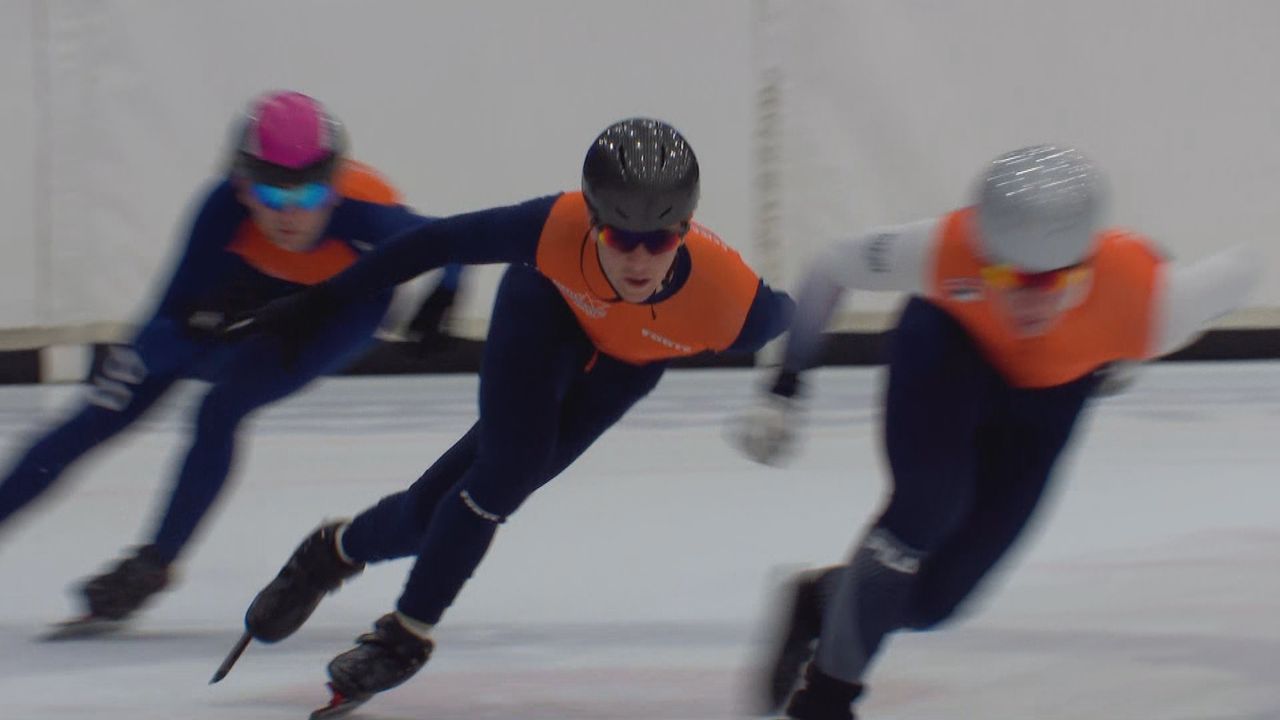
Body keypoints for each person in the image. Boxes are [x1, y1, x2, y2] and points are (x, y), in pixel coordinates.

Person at [215, 117, 795, 714]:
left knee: (433, 515)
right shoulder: (556, 226)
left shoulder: (734, 308)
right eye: (621, 238)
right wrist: (319, 301)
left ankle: (332, 552)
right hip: (545, 312)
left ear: (685, 228)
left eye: (660, 239)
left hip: (627, 363)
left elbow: (802, 320)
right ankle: (404, 638)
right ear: (594, 222)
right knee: (505, 475)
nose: (640, 258)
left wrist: (786, 391)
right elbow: (436, 242)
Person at [732, 145, 1260, 719]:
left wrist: (1141, 322)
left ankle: (822, 600)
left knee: (933, 602)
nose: (1026, 298)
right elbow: (831, 266)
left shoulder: (1149, 306)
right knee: (926, 505)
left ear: (1085, 267)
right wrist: (785, 386)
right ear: (983, 251)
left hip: (1048, 399)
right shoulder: (946, 249)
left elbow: (1243, 270)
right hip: (947, 349)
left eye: (1053, 280)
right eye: (1004, 274)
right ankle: (825, 700)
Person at [0, 90, 431, 632]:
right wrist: (172, 343)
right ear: (242, 187)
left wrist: (446, 296)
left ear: (337, 184)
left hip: (337, 313)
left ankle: (154, 564)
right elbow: (160, 323)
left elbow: (456, 241)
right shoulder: (220, 210)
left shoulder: (363, 211)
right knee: (100, 415)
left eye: (313, 191)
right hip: (246, 292)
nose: (293, 214)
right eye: (273, 193)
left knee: (219, 409)